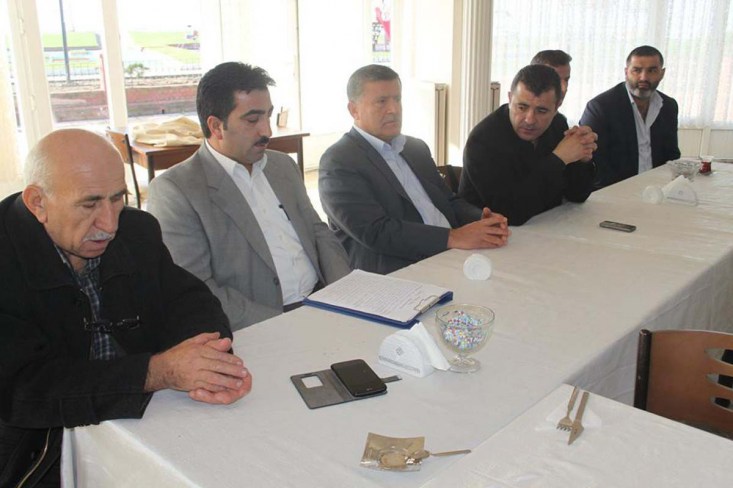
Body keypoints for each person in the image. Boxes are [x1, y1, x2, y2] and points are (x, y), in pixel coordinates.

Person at [0, 129, 251, 487]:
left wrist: (210, 360)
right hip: (38, 452)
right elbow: (24, 389)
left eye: (117, 198)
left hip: (140, 421)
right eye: (89, 204)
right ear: (37, 202)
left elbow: (189, 300)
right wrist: (156, 372)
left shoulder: (137, 230)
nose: (110, 224)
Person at [147, 62, 351, 330]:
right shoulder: (177, 190)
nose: (267, 131)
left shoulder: (282, 165)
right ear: (216, 126)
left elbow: (317, 232)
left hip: (324, 304)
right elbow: (197, 290)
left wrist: (344, 294)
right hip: (262, 325)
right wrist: (289, 324)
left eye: (268, 116)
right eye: (252, 120)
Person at [319, 64, 510, 275]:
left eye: (397, 99)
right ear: (354, 110)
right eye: (382, 101)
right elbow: (376, 231)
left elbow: (448, 201)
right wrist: (453, 237)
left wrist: (480, 219)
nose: (393, 109)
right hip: (396, 271)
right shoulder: (339, 161)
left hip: (451, 254)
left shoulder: (415, 148)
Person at [459, 64, 597, 226]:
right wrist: (558, 159)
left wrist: (581, 158)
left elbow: (577, 195)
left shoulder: (558, 124)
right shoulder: (483, 140)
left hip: (548, 225)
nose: (529, 119)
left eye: (541, 111)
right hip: (492, 233)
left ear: (557, 106)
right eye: (522, 107)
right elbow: (509, 213)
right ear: (510, 98)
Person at [580, 45, 680, 189]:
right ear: (626, 72)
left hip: (658, 189)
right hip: (615, 191)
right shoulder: (601, 107)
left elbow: (672, 155)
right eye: (637, 70)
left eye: (652, 70)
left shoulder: (669, 106)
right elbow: (594, 162)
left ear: (662, 73)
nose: (644, 77)